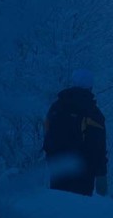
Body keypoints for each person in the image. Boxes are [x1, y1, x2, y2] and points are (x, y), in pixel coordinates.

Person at [43, 68, 108, 197]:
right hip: (82, 171)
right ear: (91, 86)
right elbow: (98, 146)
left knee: (58, 208)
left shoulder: (56, 107)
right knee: (79, 211)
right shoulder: (92, 112)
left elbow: (46, 134)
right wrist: (101, 174)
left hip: (58, 168)